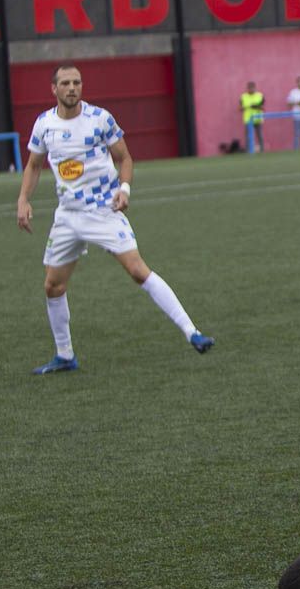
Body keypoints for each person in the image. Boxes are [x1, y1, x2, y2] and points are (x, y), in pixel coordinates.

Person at [16, 64, 214, 374]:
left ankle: (192, 332)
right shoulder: (44, 124)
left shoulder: (100, 119)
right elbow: (33, 165)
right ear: (53, 89)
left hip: (104, 210)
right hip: (67, 216)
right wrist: (23, 199)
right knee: (53, 286)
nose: (72, 88)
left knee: (137, 270)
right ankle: (65, 356)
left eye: (77, 82)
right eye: (66, 83)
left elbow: (124, 158)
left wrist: (125, 190)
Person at [240, 81, 265, 153]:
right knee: (248, 136)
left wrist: (257, 107)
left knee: (259, 135)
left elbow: (263, 108)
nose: (251, 90)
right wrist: (247, 106)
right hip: (248, 119)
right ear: (247, 88)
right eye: (249, 88)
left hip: (258, 119)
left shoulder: (260, 95)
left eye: (253, 88)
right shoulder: (243, 96)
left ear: (255, 88)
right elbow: (239, 108)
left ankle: (262, 150)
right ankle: (248, 151)